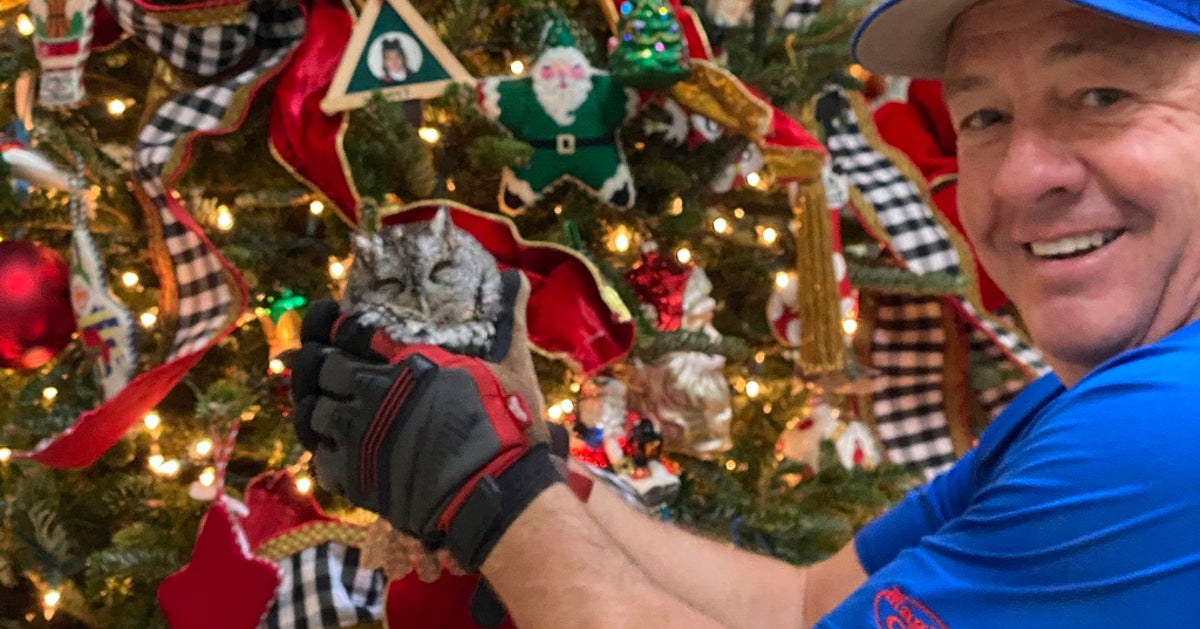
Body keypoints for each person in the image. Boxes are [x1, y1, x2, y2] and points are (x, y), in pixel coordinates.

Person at [291, 0, 1200, 626]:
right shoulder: (1089, 402)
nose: (1017, 177)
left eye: (1102, 97)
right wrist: (525, 458)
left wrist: (486, 491)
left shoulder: (1167, 428)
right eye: (986, 116)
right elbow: (801, 606)